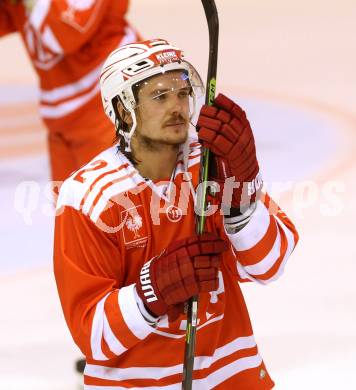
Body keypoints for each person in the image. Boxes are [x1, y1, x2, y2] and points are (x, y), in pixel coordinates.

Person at [54, 38, 299, 389]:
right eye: (160, 96)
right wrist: (151, 292)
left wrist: (241, 197)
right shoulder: (88, 196)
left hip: (233, 373)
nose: (178, 107)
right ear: (123, 110)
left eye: (182, 93)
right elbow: (92, 336)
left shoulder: (212, 162)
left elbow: (269, 265)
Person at [0, 0, 140, 182]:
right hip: (61, 116)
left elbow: (68, 33)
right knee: (68, 206)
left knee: (113, 203)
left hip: (111, 105)